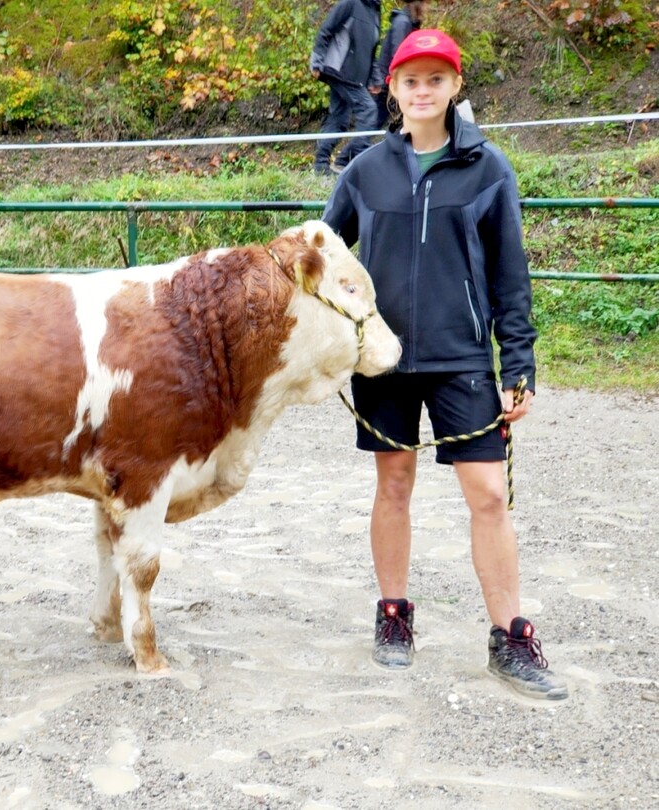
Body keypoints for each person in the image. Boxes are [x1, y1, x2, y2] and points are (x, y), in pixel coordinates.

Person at [321, 30, 568, 700]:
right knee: (393, 485)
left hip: (464, 359)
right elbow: (324, 260)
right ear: (393, 90)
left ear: (456, 86)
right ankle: (393, 616)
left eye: (436, 79)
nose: (423, 91)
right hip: (385, 363)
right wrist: (333, 338)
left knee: (488, 494)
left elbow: (510, 276)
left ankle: (510, 636)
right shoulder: (364, 171)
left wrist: (518, 366)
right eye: (411, 80)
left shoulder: (489, 169)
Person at [309, 0, 383, 175]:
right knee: (368, 110)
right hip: (340, 70)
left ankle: (321, 165)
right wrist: (316, 61)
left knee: (339, 118)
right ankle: (355, 161)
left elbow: (371, 51)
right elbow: (326, 30)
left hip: (356, 76)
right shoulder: (350, 4)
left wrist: (375, 79)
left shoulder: (374, 12)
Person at [370, 1, 426, 127]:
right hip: (389, 82)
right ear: (417, 5)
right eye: (424, 4)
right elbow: (398, 54)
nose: (426, 8)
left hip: (393, 81)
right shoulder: (403, 23)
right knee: (376, 122)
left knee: (381, 121)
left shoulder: (408, 23)